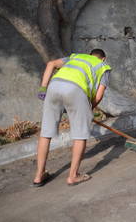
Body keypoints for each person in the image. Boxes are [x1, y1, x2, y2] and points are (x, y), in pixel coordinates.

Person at [33, 49, 111, 187]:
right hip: (76, 90)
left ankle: (39, 175)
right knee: (80, 135)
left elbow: (51, 64)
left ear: (89, 55)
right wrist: (89, 108)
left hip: (53, 86)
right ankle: (73, 176)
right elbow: (98, 96)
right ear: (103, 59)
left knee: (45, 132)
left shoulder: (76, 57)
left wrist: (43, 88)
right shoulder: (103, 67)